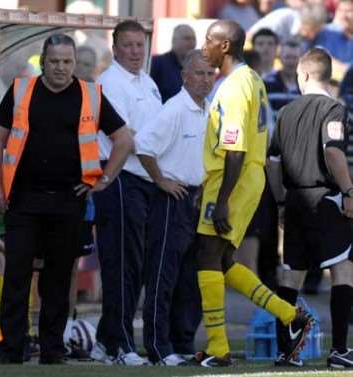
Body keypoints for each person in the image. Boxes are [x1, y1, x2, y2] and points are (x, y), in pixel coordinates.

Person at [0, 33, 132, 364]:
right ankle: (11, 349)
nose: (62, 68)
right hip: (22, 199)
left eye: (67, 62)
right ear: (42, 61)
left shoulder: (90, 94)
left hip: (69, 201)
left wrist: (104, 179)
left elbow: (123, 140)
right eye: (54, 62)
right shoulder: (22, 90)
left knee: (57, 279)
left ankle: (52, 349)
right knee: (16, 275)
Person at [194, 20, 312, 368]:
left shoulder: (233, 87)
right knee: (224, 261)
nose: (204, 47)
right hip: (245, 178)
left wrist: (223, 200)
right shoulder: (251, 80)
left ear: (225, 46)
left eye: (209, 41)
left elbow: (234, 148)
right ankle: (290, 315)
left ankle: (219, 348)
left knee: (206, 256)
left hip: (233, 179)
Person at [269, 47, 353, 369]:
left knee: (292, 273)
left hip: (293, 201)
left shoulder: (286, 112)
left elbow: (273, 162)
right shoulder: (334, 109)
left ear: (303, 74)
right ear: (327, 75)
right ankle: (340, 351)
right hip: (326, 198)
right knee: (343, 268)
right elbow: (333, 152)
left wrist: (279, 201)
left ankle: (285, 352)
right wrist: (349, 191)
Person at [135, 50, 215, 366]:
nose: (205, 80)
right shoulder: (175, 109)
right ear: (185, 76)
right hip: (173, 198)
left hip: (197, 198)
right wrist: (161, 182)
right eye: (199, 73)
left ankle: (182, 343)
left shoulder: (208, 109)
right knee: (163, 275)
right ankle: (158, 346)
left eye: (210, 74)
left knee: (189, 278)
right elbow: (143, 145)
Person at [91, 20, 162, 366]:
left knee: (135, 264)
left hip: (144, 181)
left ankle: (106, 340)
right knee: (120, 263)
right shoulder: (109, 84)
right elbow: (129, 137)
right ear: (115, 47)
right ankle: (121, 345)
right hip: (118, 178)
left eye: (140, 45)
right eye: (129, 45)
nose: (136, 52)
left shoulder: (148, 83)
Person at [150, 24, 196, 102]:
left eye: (194, 39)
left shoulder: (195, 68)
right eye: (187, 38)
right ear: (174, 41)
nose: (191, 43)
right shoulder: (157, 63)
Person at [264, 39, 301, 118]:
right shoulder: (267, 83)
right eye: (287, 57)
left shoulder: (306, 83)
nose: (291, 61)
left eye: (294, 57)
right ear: (280, 58)